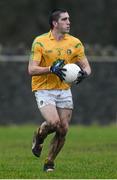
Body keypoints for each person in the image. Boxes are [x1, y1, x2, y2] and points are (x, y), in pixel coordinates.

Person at [28, 8, 91, 172]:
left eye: (68, 19)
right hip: (44, 88)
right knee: (54, 123)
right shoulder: (40, 41)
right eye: (64, 19)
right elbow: (31, 69)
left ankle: (49, 162)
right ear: (55, 23)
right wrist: (51, 69)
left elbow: (86, 66)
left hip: (63, 90)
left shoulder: (75, 42)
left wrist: (84, 74)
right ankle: (39, 135)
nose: (68, 22)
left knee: (63, 129)